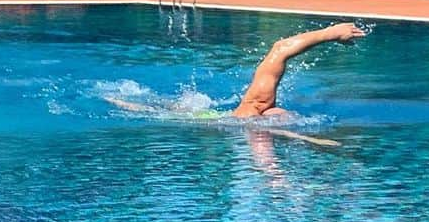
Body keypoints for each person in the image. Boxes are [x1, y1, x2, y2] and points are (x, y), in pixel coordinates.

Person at [106, 21, 365, 145]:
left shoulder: (259, 111)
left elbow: (281, 48)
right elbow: (280, 48)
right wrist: (329, 34)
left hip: (219, 117)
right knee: (171, 112)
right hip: (225, 117)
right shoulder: (259, 108)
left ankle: (127, 102)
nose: (286, 114)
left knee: (177, 112)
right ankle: (125, 102)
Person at [231, 22, 365, 118]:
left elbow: (280, 48)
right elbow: (280, 49)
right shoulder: (254, 108)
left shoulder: (255, 106)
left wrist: (330, 34)